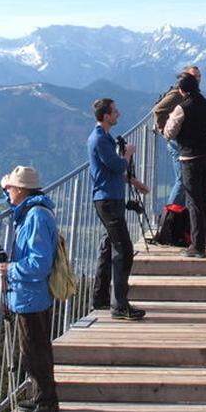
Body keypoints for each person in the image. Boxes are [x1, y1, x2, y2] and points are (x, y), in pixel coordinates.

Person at [0, 165, 59, 412]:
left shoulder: (36, 217)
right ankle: (42, 398)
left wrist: (9, 270)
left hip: (30, 296)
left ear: (21, 189)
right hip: (32, 296)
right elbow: (15, 205)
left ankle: (46, 403)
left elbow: (38, 264)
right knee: (34, 349)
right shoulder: (31, 209)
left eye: (11, 188)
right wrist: (4, 189)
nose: (9, 191)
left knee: (35, 352)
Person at [88, 97, 150, 320]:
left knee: (108, 246)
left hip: (108, 197)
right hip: (108, 200)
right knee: (123, 250)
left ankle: (101, 297)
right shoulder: (100, 140)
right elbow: (116, 165)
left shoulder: (103, 137)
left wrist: (133, 182)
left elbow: (111, 170)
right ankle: (120, 305)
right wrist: (128, 153)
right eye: (115, 112)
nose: (118, 114)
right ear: (106, 116)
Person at [163, 73, 206, 258]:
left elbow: (169, 133)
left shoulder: (181, 107)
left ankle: (197, 246)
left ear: (182, 89)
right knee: (204, 197)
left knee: (193, 201)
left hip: (189, 157)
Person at [153, 65, 202, 207]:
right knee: (182, 180)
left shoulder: (189, 94)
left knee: (184, 180)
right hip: (176, 141)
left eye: (199, 76)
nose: (198, 79)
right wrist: (164, 131)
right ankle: (169, 219)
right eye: (194, 76)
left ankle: (177, 219)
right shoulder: (177, 94)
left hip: (182, 140)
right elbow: (157, 110)